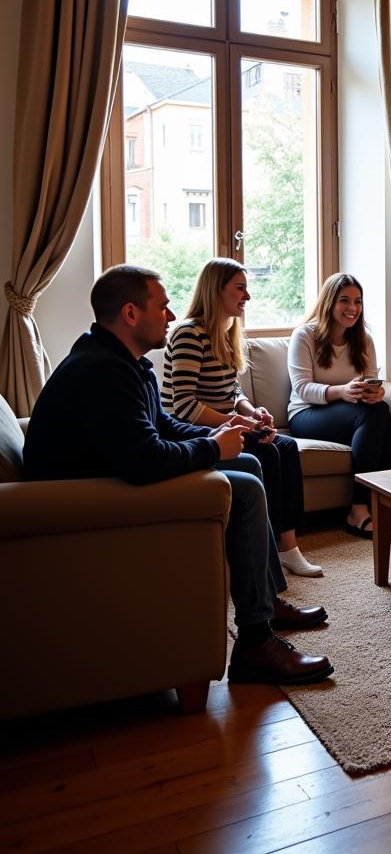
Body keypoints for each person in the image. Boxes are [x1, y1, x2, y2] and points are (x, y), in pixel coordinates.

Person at [23, 265, 334, 685]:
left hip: (105, 478)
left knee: (248, 462)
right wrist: (211, 446)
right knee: (241, 486)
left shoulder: (125, 363)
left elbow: (163, 426)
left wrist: (224, 432)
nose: (170, 316)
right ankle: (256, 644)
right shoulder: (104, 372)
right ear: (131, 313)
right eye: (163, 306)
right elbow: (144, 459)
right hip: (86, 503)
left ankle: (264, 602)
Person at [161, 258, 321, 577]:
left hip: (223, 425)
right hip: (192, 432)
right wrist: (235, 423)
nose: (247, 296)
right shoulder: (189, 335)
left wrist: (251, 411)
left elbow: (232, 389)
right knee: (268, 450)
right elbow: (183, 404)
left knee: (287, 448)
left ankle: (287, 545)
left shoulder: (226, 332)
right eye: (240, 288)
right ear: (216, 290)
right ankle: (273, 548)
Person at [287, 272, 391, 539]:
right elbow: (302, 388)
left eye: (357, 301)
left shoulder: (364, 339)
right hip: (306, 413)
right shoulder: (304, 336)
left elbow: (372, 378)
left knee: (381, 412)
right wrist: (342, 391)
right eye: (344, 300)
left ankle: (385, 507)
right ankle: (360, 510)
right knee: (376, 417)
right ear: (329, 302)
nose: (352, 308)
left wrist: (376, 393)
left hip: (351, 412)